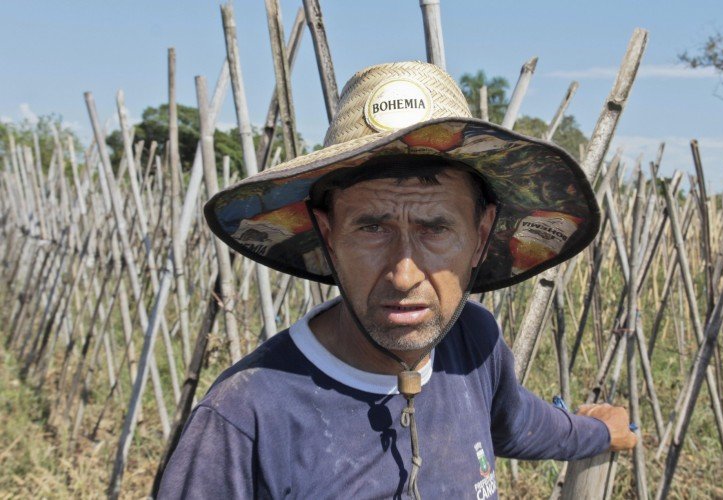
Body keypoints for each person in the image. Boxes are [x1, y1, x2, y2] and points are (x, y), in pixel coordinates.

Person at [159, 61, 636, 499]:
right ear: (329, 236)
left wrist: (597, 431)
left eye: (435, 228)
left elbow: (516, 423)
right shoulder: (246, 418)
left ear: (481, 235)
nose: (404, 275)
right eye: (372, 228)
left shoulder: (472, 344)